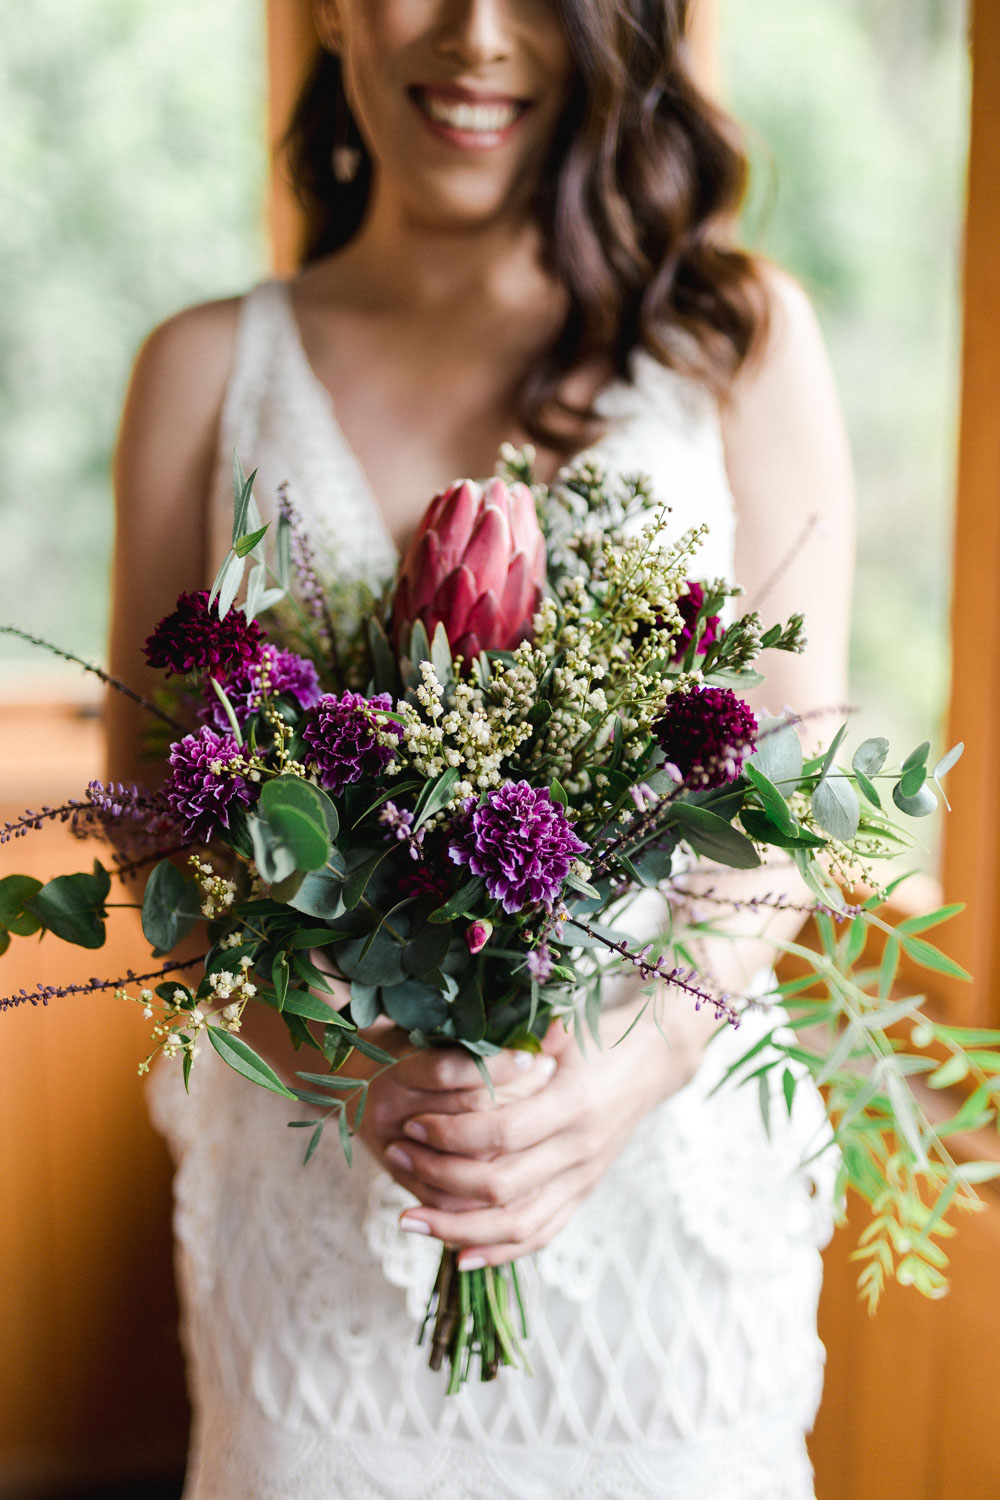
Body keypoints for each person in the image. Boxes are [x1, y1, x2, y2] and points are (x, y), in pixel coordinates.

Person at [107, 2, 854, 1495]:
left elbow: (804, 779)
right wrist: (336, 1055)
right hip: (320, 1214)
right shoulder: (204, 365)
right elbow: (151, 810)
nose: (478, 34)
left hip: (661, 1219)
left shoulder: (736, 339)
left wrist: (630, 1072)